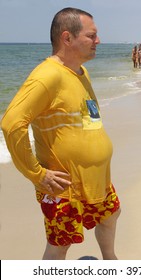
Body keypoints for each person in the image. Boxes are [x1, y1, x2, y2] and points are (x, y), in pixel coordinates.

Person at [1, 7, 121, 260]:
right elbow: (12, 123)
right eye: (91, 35)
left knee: (110, 215)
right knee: (60, 243)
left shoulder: (81, 71)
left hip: (97, 178)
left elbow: (85, 119)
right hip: (65, 187)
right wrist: (36, 174)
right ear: (67, 38)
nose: (98, 41)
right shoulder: (47, 76)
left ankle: (112, 264)